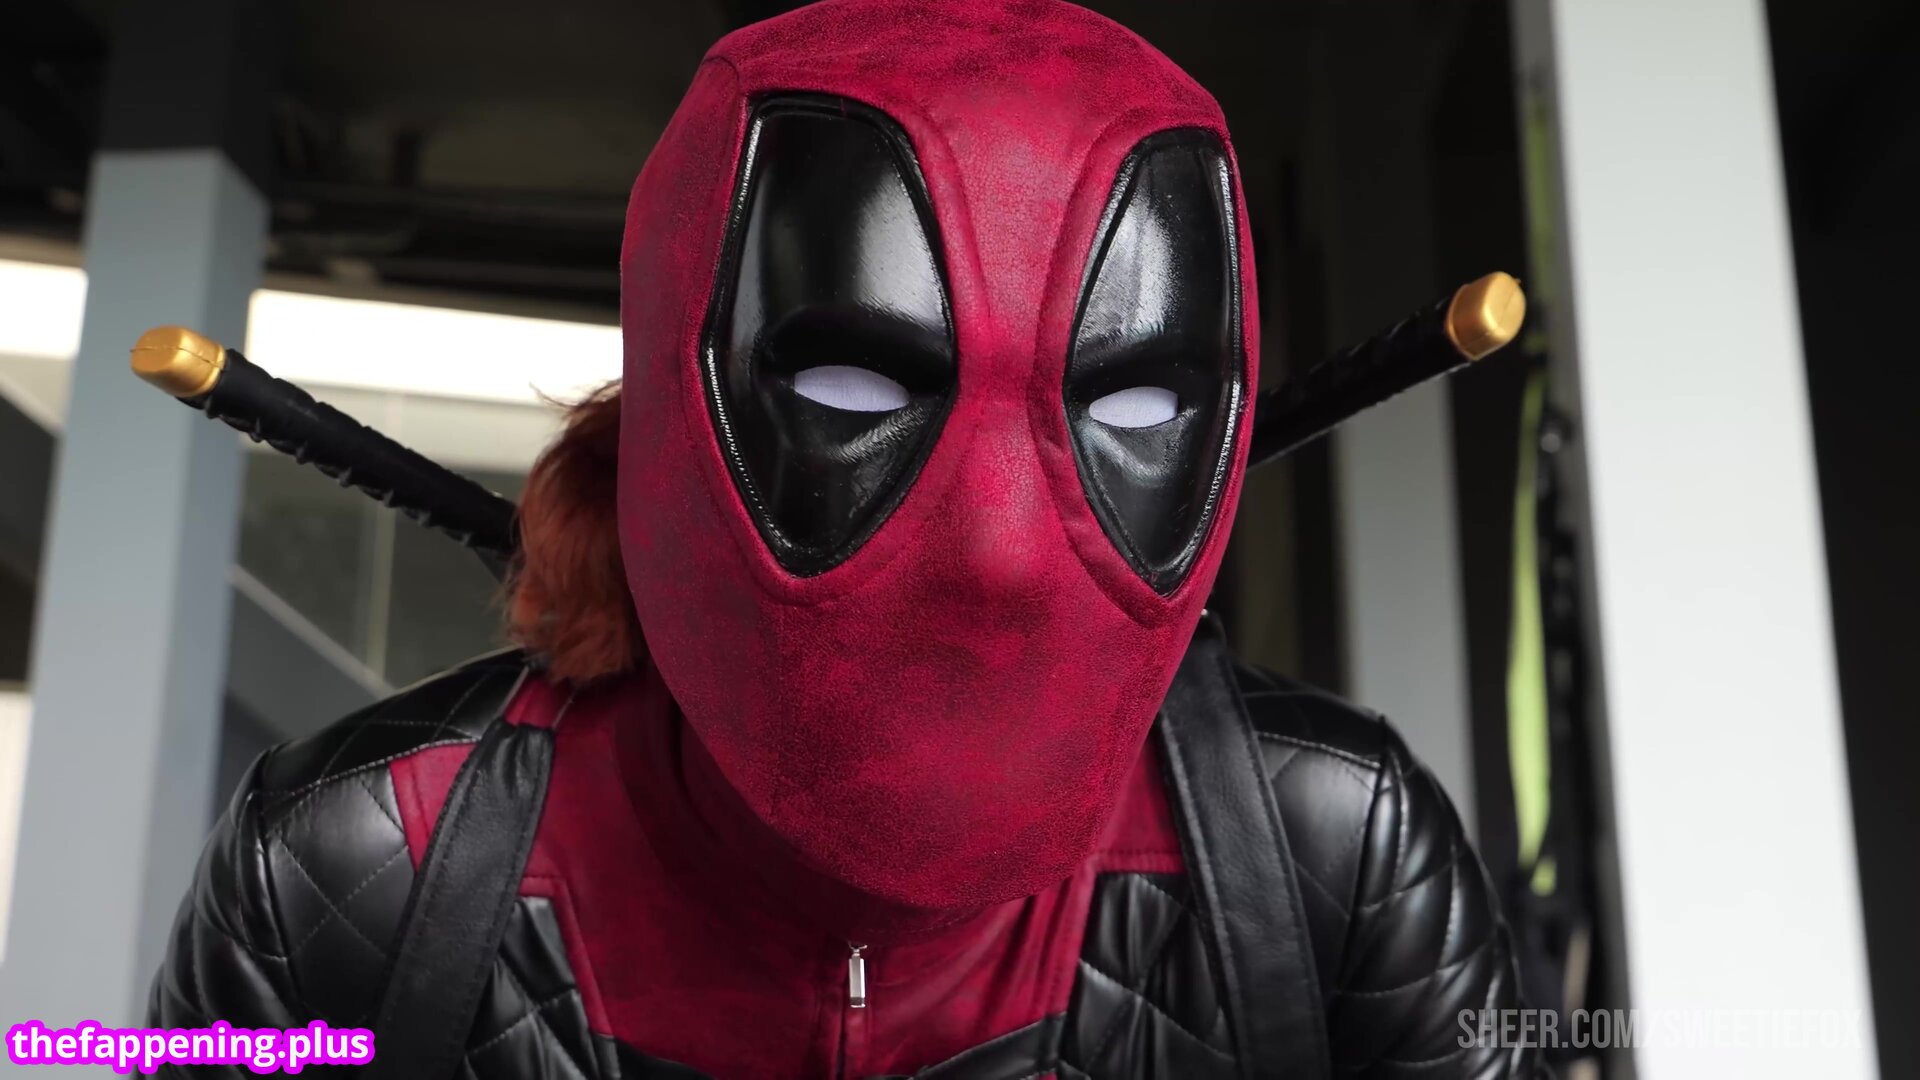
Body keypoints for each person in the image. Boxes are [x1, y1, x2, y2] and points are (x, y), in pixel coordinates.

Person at [150, 1, 1541, 1076]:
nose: (999, 555)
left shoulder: (1334, 859)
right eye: (854, 387)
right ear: (673, 411)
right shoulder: (338, 877)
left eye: (1128, 402)